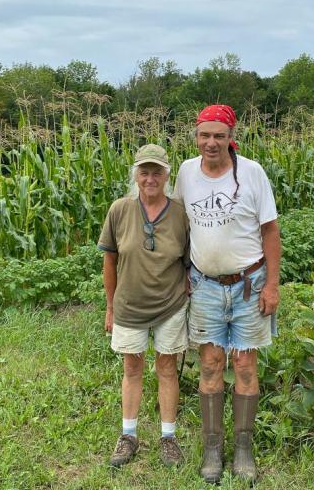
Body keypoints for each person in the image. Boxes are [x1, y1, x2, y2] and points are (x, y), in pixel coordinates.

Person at [173, 105, 281, 484]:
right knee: (210, 364)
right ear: (196, 136)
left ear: (230, 135)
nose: (211, 142)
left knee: (246, 366)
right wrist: (183, 269)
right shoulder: (186, 172)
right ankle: (212, 448)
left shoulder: (251, 173)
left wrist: (271, 285)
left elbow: (270, 231)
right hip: (204, 285)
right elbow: (180, 223)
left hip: (249, 283)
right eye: (205, 135)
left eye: (219, 135)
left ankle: (244, 448)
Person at [98, 144, 190, 469]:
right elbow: (110, 261)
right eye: (144, 172)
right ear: (135, 175)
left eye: (157, 172)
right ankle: (129, 435)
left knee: (167, 368)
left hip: (170, 305)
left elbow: (189, 261)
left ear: (167, 175)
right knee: (132, 368)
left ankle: (168, 438)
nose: (150, 178)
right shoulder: (119, 210)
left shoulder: (180, 214)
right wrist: (110, 307)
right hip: (129, 305)